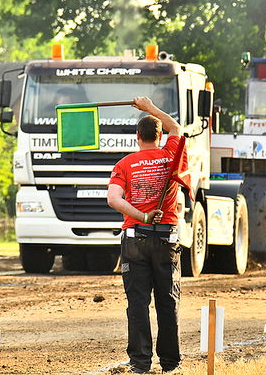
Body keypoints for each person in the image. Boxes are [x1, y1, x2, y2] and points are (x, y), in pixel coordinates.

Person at [107, 96, 182, 374]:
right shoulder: (170, 155)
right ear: (159, 136)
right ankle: (170, 365)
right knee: (167, 301)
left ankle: (140, 363)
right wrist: (149, 107)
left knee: (138, 302)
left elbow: (114, 199)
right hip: (166, 239)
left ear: (137, 137)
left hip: (134, 239)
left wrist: (141, 216)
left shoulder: (125, 164)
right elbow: (175, 127)